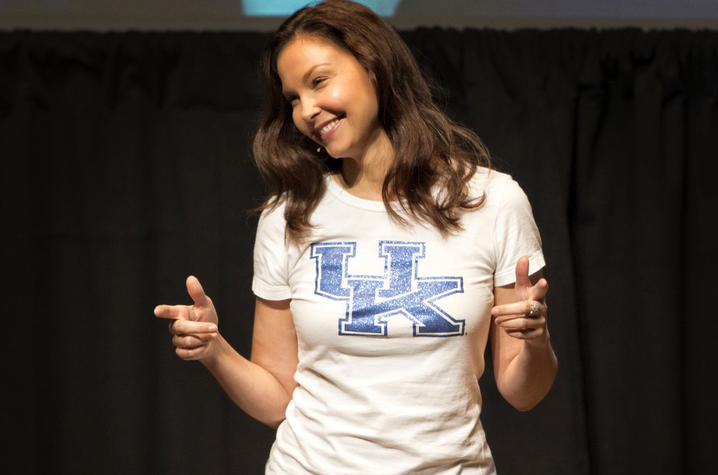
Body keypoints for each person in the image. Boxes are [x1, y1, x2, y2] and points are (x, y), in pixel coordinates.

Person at [154, 0, 558, 473]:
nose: (305, 110)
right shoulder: (289, 215)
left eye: (318, 81)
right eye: (292, 99)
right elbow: (278, 400)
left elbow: (523, 392)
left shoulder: (492, 200)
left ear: (373, 63)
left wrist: (534, 340)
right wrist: (214, 351)